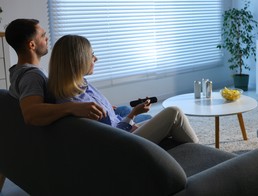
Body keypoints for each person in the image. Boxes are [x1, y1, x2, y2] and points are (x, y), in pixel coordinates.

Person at [48, 34, 199, 144]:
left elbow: (109, 123)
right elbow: (112, 134)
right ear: (79, 60)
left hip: (126, 131)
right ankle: (199, 152)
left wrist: (113, 111)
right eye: (91, 55)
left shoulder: (80, 86)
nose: (96, 59)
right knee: (174, 113)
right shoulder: (80, 104)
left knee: (169, 125)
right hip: (123, 143)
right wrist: (133, 114)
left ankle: (190, 152)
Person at [5, 18, 107, 126]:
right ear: (32, 45)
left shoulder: (18, 71)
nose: (47, 38)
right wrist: (73, 107)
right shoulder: (32, 76)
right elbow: (31, 114)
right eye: (43, 36)